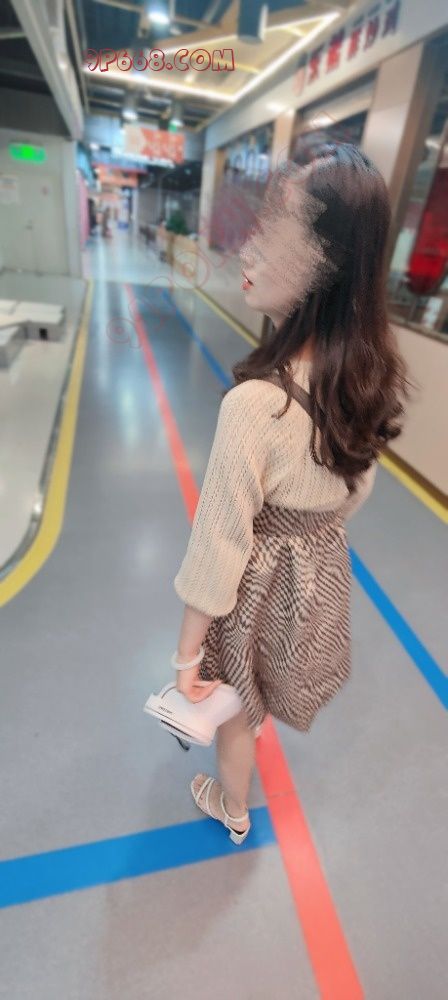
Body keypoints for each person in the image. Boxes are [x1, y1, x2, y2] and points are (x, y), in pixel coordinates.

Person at [173, 143, 412, 844]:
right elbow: (358, 486)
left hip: (252, 585)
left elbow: (218, 547)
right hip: (315, 576)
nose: (249, 247)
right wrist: (311, 534)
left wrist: (185, 660)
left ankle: (233, 808)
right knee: (269, 680)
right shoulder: (366, 377)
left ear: (328, 263)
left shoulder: (254, 405)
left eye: (277, 228)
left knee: (232, 702)